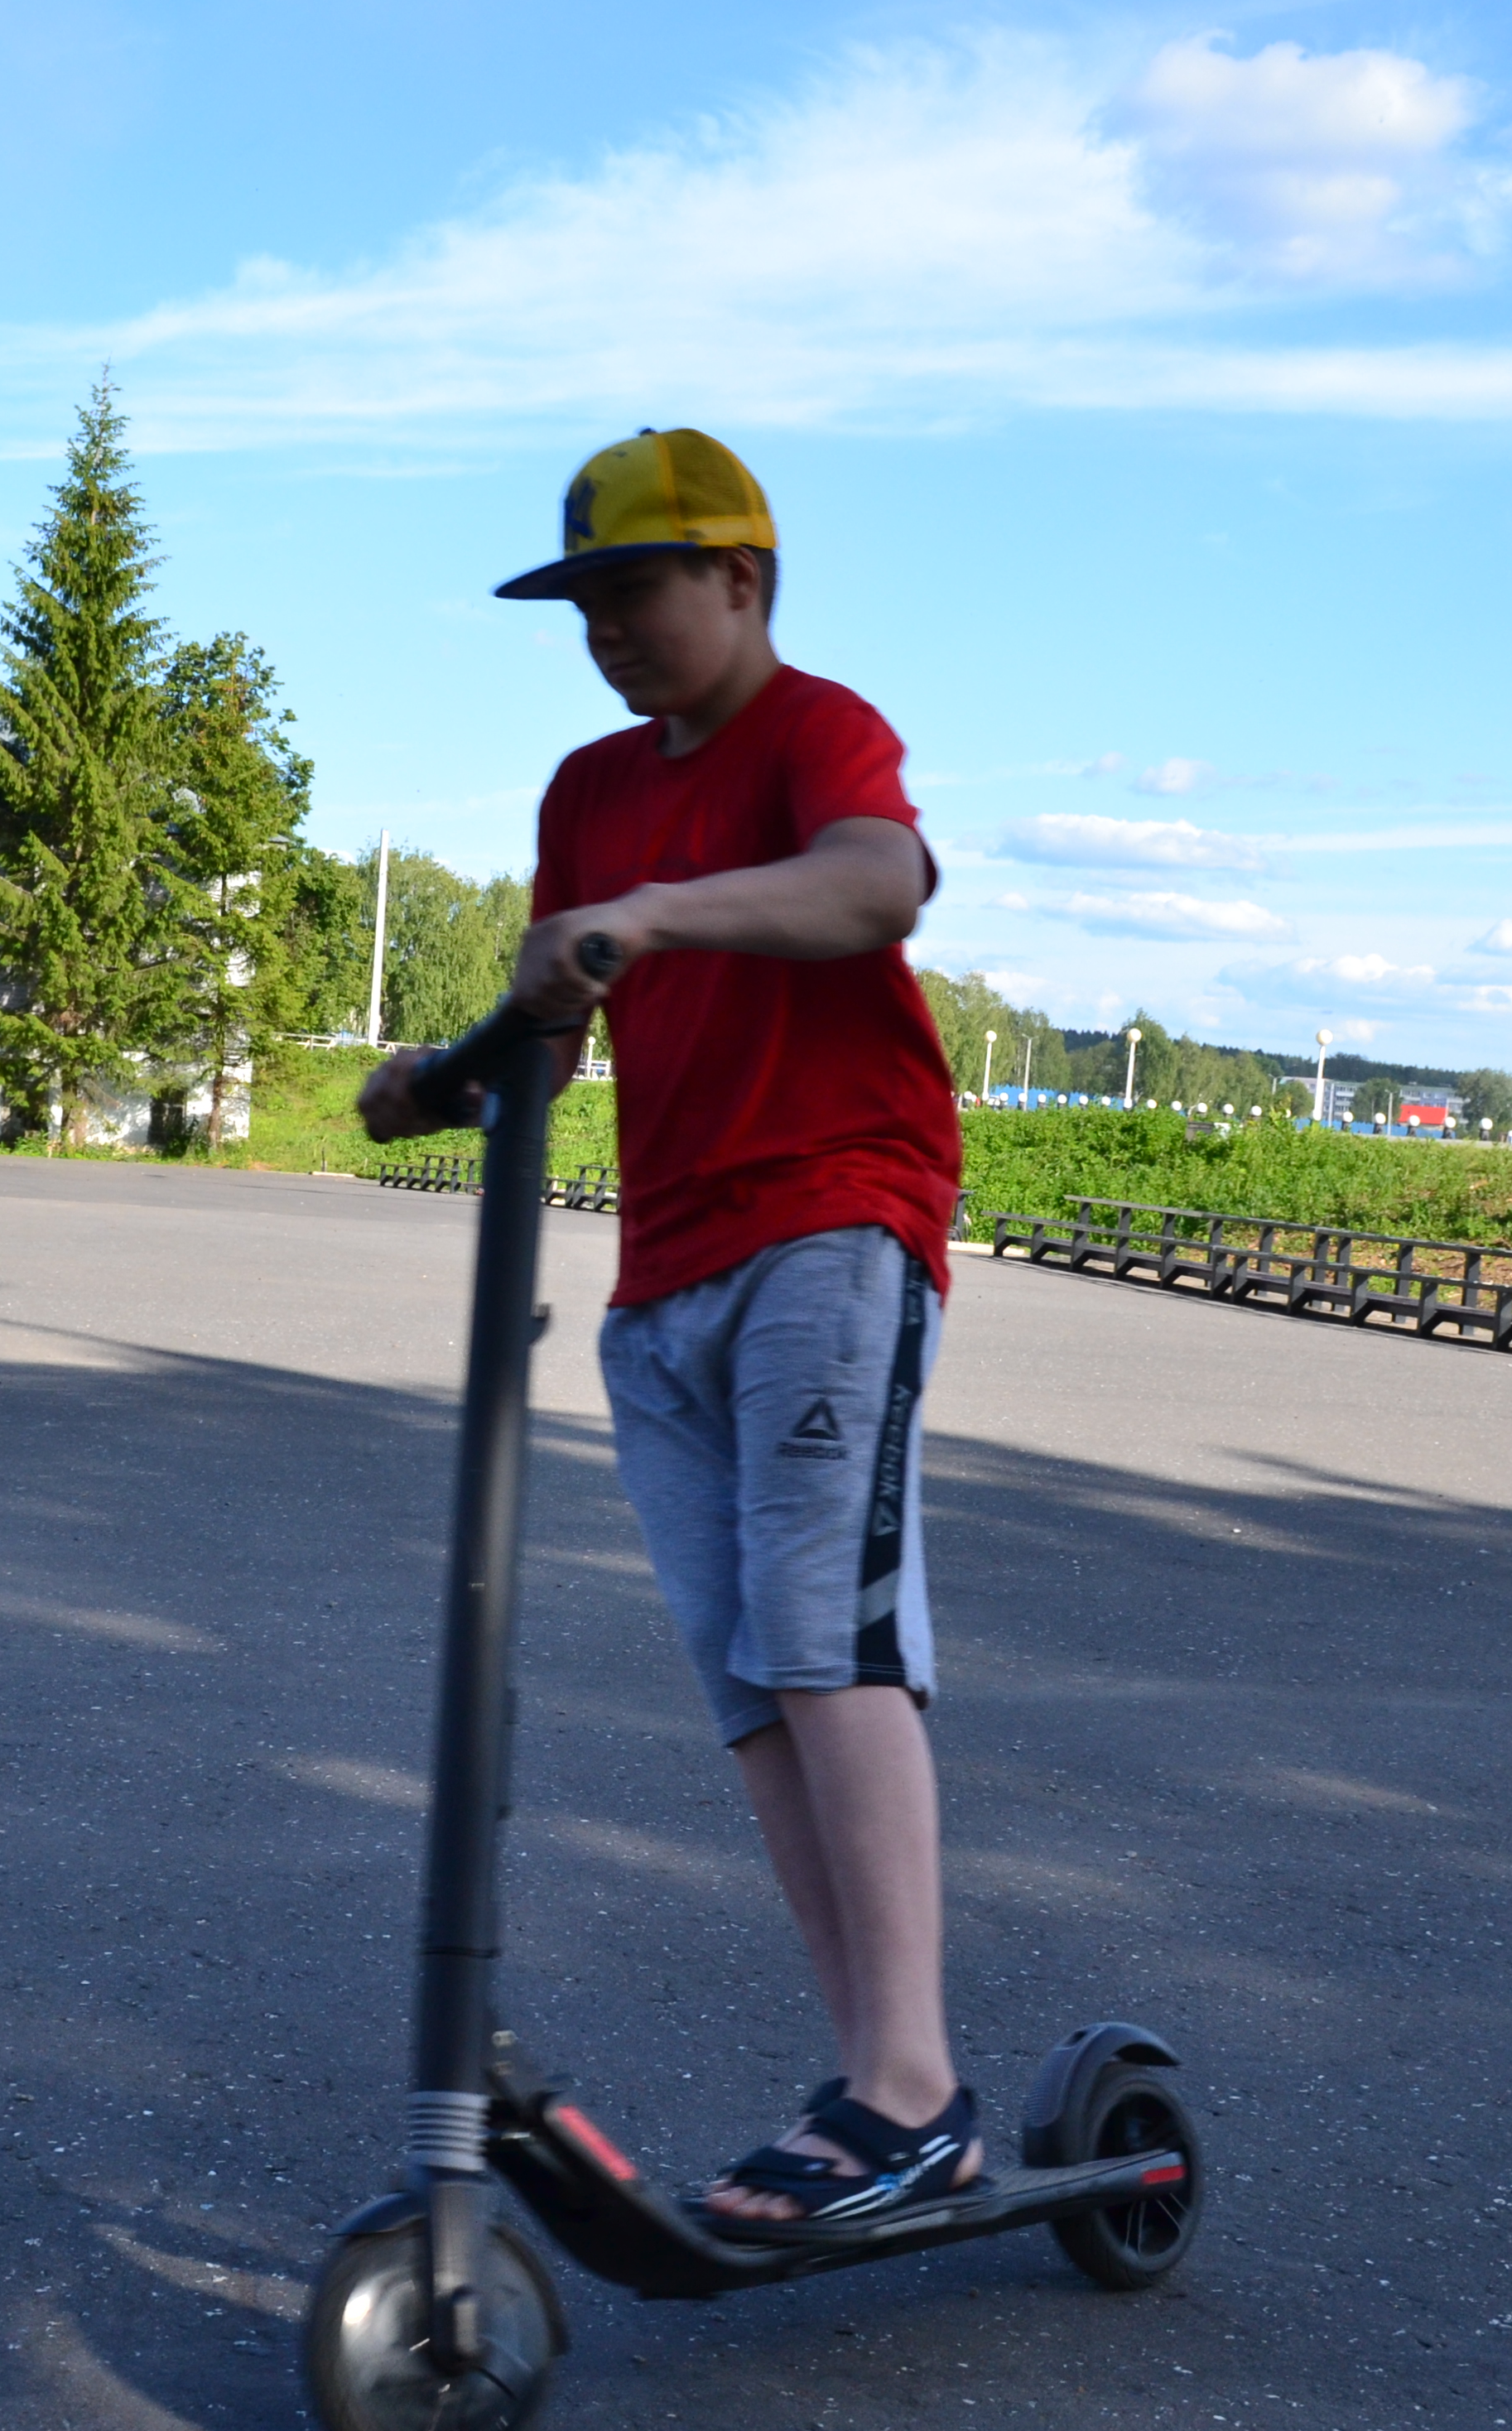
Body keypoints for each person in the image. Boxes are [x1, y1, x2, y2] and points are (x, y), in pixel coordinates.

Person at [359, 428, 976, 2234]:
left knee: (823, 1648)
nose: (607, 629)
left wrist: (648, 919)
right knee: (751, 1689)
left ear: (743, 581)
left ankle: (910, 2088)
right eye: (583, 602)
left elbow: (881, 884)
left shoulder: (812, 730)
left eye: (637, 589)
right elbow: (554, 1021)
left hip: (833, 1226)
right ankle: (880, 2081)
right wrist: (442, 1074)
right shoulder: (586, 789)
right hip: (667, 1276)